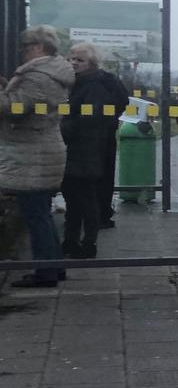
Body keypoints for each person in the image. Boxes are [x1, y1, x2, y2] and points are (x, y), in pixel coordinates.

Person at [0, 26, 74, 287]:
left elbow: (16, 108)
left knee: (36, 215)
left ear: (40, 47)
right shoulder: (51, 72)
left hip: (33, 154)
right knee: (40, 213)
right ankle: (54, 267)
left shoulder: (38, 76)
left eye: (27, 46)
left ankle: (46, 273)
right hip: (41, 150)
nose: (23, 51)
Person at [61, 42, 117, 259]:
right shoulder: (77, 83)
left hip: (87, 148)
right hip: (77, 148)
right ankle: (71, 241)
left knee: (85, 198)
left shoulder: (93, 85)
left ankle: (88, 243)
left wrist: (64, 128)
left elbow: (91, 116)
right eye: (71, 58)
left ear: (91, 63)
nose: (74, 63)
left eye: (79, 60)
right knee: (72, 198)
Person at [96, 66, 130, 228]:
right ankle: (103, 213)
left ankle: (92, 215)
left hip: (84, 137)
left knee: (85, 180)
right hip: (108, 132)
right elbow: (124, 101)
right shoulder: (111, 80)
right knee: (106, 175)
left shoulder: (78, 81)